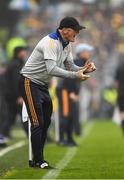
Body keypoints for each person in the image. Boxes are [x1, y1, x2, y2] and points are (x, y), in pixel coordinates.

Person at [19, 17, 96, 169]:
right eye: (76, 30)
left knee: (46, 122)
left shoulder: (66, 44)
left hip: (41, 84)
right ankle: (38, 160)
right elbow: (51, 69)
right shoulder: (50, 42)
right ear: (65, 30)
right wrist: (76, 75)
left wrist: (83, 69)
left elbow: (69, 65)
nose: (77, 33)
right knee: (37, 122)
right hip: (29, 81)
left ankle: (38, 159)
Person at [3, 46, 27, 138]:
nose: (25, 53)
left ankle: (4, 134)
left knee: (11, 117)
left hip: (12, 96)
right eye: (23, 51)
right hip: (15, 97)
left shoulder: (17, 63)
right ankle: (32, 136)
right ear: (18, 53)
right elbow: (16, 82)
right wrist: (20, 96)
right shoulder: (15, 64)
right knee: (23, 117)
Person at [115, 54, 124, 134]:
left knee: (122, 111)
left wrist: (117, 92)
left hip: (121, 93)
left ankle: (123, 124)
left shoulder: (119, 68)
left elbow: (116, 82)